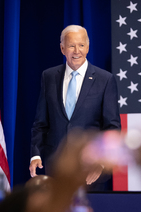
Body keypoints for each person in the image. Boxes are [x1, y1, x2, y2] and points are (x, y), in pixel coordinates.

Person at [29, 25, 121, 191]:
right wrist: (35, 154)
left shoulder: (105, 80)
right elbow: (41, 122)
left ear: (88, 47)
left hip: (91, 172)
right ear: (62, 48)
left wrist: (100, 163)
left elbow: (112, 128)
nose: (76, 51)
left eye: (81, 45)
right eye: (71, 46)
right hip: (56, 169)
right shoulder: (48, 77)